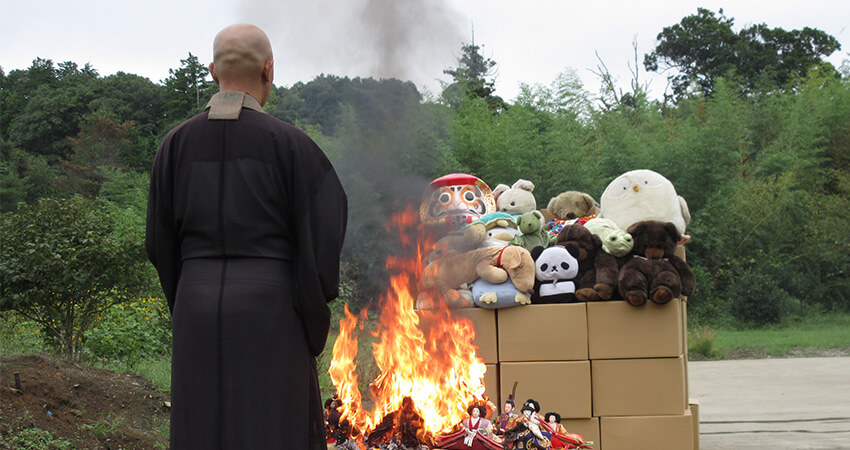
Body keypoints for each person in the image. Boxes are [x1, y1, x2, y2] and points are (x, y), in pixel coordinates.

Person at [146, 23, 347, 449]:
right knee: (274, 429)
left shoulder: (174, 146)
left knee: (202, 427)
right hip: (272, 311)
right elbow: (323, 235)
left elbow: (159, 244)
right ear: (268, 70)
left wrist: (188, 296)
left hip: (196, 306)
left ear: (213, 71)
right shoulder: (291, 146)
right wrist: (309, 315)